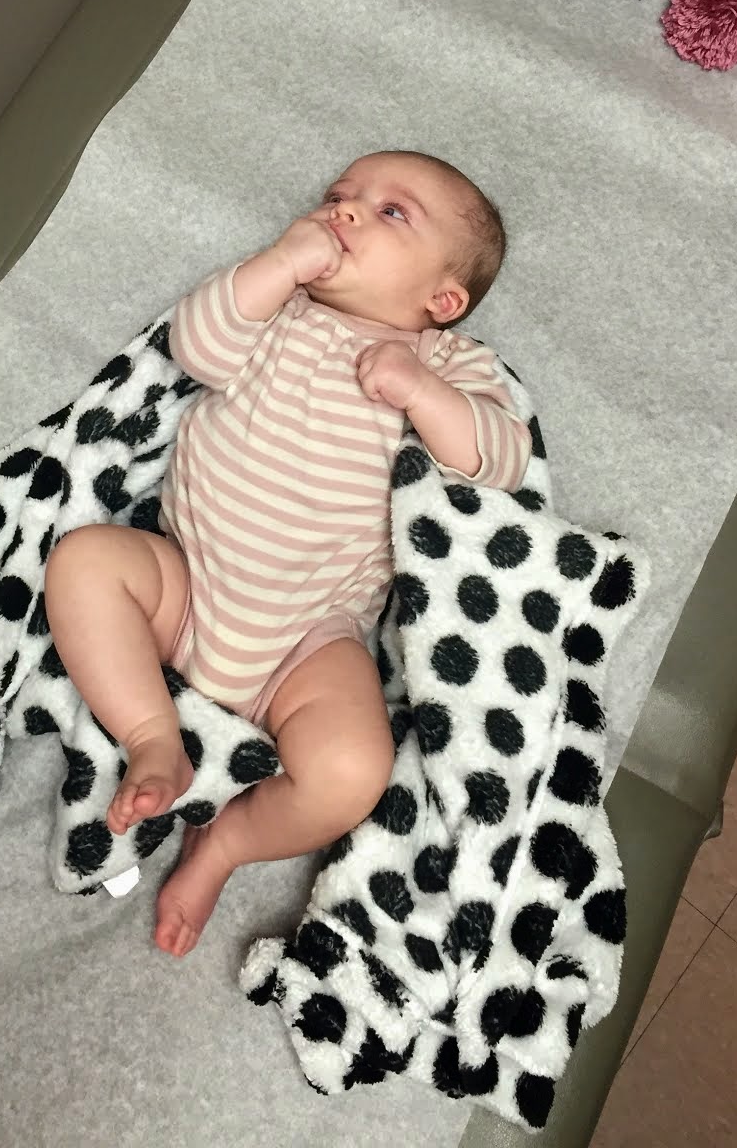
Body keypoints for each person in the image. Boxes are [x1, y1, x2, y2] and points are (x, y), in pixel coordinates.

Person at [45, 151, 532, 955]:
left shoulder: (447, 362)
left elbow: (500, 460)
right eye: (340, 196)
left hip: (309, 639)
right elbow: (195, 345)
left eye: (391, 211)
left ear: (442, 300)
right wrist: (278, 265)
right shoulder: (278, 307)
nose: (345, 210)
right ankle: (152, 735)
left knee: (352, 772)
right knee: (84, 562)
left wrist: (422, 392)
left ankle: (224, 846)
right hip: (185, 581)